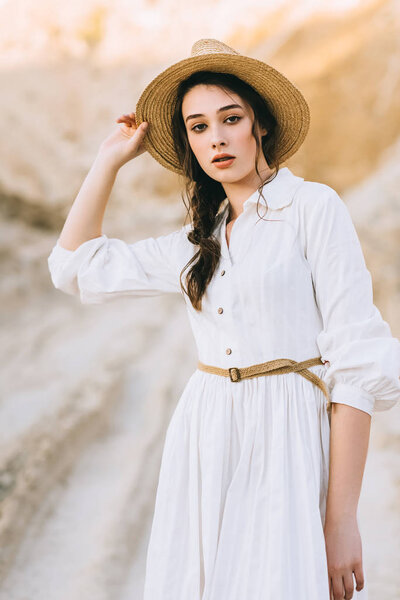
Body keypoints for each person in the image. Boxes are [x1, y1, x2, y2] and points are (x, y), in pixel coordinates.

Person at [47, 39, 400, 600]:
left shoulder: (313, 209)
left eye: (230, 118)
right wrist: (107, 160)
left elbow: (356, 366)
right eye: (197, 126)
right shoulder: (198, 241)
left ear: (259, 124)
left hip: (288, 440)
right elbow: (74, 268)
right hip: (205, 436)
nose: (216, 138)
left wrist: (341, 520)